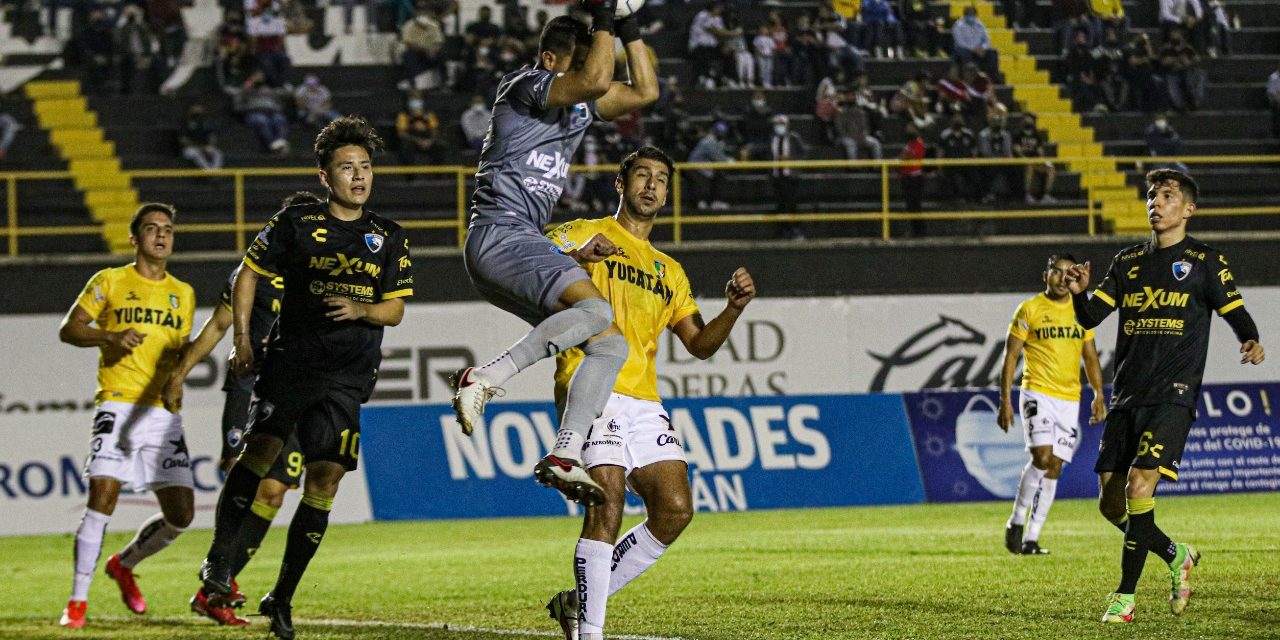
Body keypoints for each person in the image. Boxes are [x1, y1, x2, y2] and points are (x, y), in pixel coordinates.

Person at [197, 117, 413, 640]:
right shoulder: (296, 221)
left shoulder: (389, 236)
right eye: (347, 167)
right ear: (324, 176)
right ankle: (219, 562)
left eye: (365, 167)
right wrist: (242, 339)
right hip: (292, 361)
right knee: (260, 451)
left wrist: (362, 308)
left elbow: (394, 310)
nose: (358, 176)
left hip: (348, 379)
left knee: (325, 481)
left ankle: (282, 597)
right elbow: (248, 272)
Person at [543, 146, 757, 640]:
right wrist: (576, 258)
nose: (652, 185)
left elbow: (699, 344)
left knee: (675, 509)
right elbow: (527, 267)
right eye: (642, 175)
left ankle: (577, 603)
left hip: (643, 399)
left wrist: (732, 309)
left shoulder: (669, 271)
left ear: (667, 194)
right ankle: (590, 632)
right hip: (590, 382)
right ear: (621, 184)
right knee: (607, 502)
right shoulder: (583, 231)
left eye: (661, 179)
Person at [452, 4, 659, 507]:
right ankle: (484, 378)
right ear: (550, 59)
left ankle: (565, 453)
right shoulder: (524, 86)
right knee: (597, 310)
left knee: (609, 345)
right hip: (500, 232)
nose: (595, 73)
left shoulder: (579, 104)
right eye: (582, 62)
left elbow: (645, 92)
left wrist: (627, 25)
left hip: (521, 240)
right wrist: (605, 13)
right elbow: (595, 80)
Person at [1067, 169, 1264, 623]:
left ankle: (1125, 598)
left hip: (1173, 395)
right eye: (1152, 196)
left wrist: (1250, 339)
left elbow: (1234, 310)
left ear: (1188, 209)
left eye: (1167, 196)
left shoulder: (1205, 260)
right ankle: (1177, 555)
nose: (1155, 202)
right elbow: (1091, 317)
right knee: (1111, 503)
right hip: (1127, 395)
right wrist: (1079, 294)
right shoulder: (1127, 261)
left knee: (1139, 484)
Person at [162, 191, 323, 627]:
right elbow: (218, 325)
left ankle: (216, 589)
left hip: (292, 393)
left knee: (275, 490)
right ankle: (216, 571)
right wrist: (178, 375)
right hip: (250, 393)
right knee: (247, 476)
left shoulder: (320, 273)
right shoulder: (255, 270)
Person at [57, 203, 197, 629]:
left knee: (182, 515)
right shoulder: (110, 281)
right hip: (118, 403)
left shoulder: (183, 293)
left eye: (167, 229)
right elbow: (70, 328)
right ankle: (77, 603)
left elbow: (180, 353)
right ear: (135, 239)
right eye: (152, 228)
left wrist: (178, 382)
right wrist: (109, 336)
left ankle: (124, 564)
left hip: (162, 413)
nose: (162, 235)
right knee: (103, 496)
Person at [998, 254, 1105, 555]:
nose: (1061, 278)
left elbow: (1090, 357)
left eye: (1068, 273)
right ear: (1046, 275)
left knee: (1055, 465)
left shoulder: (1081, 311)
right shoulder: (1030, 309)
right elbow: (1010, 356)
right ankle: (1016, 521)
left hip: (1069, 399)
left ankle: (1032, 538)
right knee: (1042, 457)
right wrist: (1005, 400)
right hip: (1037, 393)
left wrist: (1098, 393)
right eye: (1056, 272)